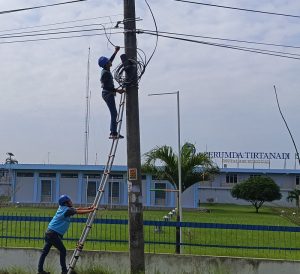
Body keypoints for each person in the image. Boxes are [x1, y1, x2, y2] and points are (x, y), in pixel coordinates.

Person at [37, 195, 96, 274]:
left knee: (45, 252)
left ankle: (40, 271)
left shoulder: (63, 208)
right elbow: (78, 212)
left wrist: (89, 208)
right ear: (66, 203)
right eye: (69, 201)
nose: (71, 202)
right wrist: (91, 210)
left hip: (49, 232)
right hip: (53, 234)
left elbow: (77, 209)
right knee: (63, 250)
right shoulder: (67, 210)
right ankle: (64, 271)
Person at [98, 46, 125, 139]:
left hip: (108, 93)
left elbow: (111, 59)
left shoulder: (107, 68)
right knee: (114, 113)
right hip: (107, 93)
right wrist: (118, 90)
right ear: (106, 64)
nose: (110, 61)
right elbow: (106, 87)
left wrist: (115, 51)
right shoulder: (105, 73)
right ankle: (113, 133)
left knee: (114, 113)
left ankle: (113, 132)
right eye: (108, 61)